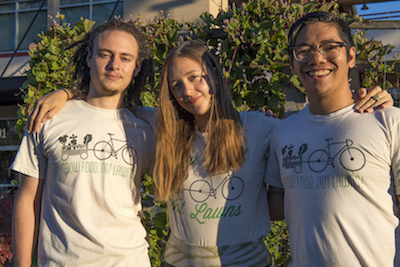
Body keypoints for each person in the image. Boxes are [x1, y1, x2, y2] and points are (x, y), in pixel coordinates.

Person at [26, 39, 394, 267]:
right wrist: (68, 94)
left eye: (197, 76)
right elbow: (107, 104)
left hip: (248, 262)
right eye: (176, 84)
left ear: (215, 76)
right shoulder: (162, 127)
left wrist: (372, 100)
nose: (188, 90)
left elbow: (317, 128)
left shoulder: (265, 128)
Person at [10, 19, 155, 266]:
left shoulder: (147, 126)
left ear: (137, 67)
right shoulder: (49, 118)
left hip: (130, 259)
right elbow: (27, 199)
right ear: (89, 58)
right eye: (105, 54)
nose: (114, 65)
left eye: (125, 58)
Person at [265, 11, 400, 266]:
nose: (316, 58)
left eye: (329, 47)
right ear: (293, 63)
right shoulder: (282, 133)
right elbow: (277, 206)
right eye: (303, 50)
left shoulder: (389, 121)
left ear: (350, 56)